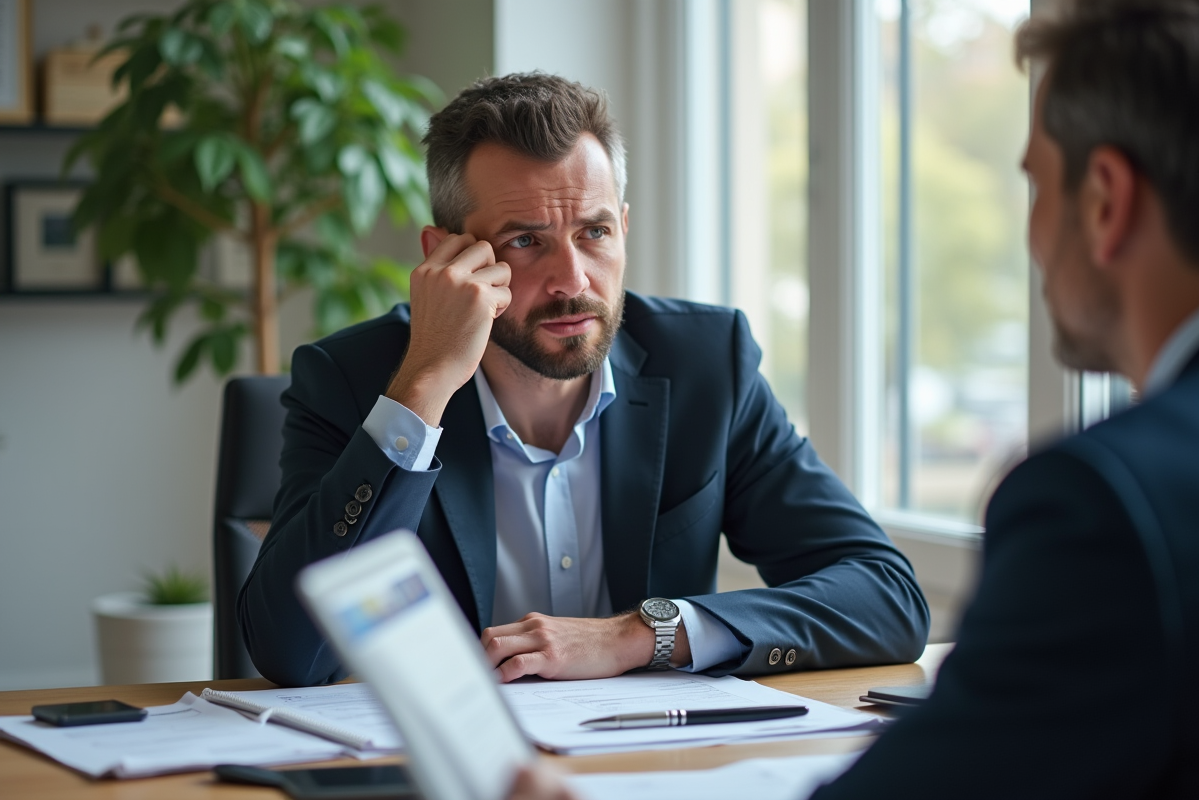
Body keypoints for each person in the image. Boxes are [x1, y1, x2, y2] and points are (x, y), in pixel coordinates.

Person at [510, 0, 1199, 797]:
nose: (1034, 236)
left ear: (1106, 201)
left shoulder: (1104, 503)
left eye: (1037, 187)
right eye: (524, 239)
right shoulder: (358, 378)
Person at [237, 73, 929, 689]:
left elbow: (886, 597)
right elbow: (293, 652)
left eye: (594, 233)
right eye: (525, 241)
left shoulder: (705, 365)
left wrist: (639, 634)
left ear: (624, 229)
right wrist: (422, 386)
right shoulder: (355, 380)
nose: (572, 281)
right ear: (445, 255)